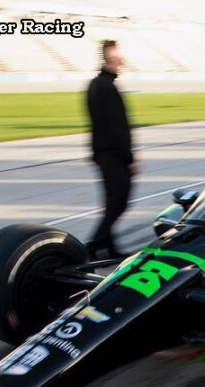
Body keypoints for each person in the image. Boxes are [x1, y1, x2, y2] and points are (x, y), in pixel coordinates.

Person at [85, 40, 136, 259]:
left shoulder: (94, 85)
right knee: (119, 204)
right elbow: (118, 128)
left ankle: (110, 247)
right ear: (105, 61)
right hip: (113, 156)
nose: (119, 63)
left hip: (103, 154)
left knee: (112, 203)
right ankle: (94, 244)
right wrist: (129, 158)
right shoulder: (107, 88)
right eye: (115, 59)